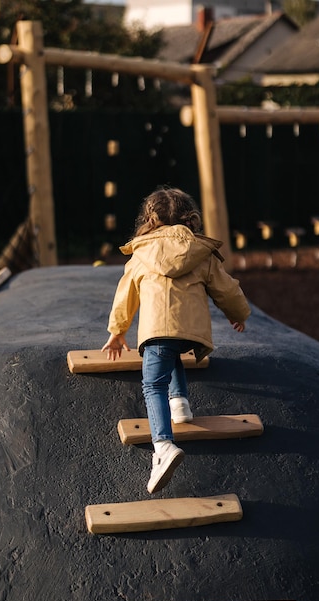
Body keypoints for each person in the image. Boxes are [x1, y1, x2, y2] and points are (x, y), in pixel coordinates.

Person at [101, 187, 251, 494]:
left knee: (152, 383)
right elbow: (227, 289)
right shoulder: (201, 251)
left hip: (157, 332)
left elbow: (125, 296)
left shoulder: (142, 253)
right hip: (191, 335)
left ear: (150, 219)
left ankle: (163, 446)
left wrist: (117, 332)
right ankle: (180, 403)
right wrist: (238, 314)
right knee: (173, 351)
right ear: (189, 219)